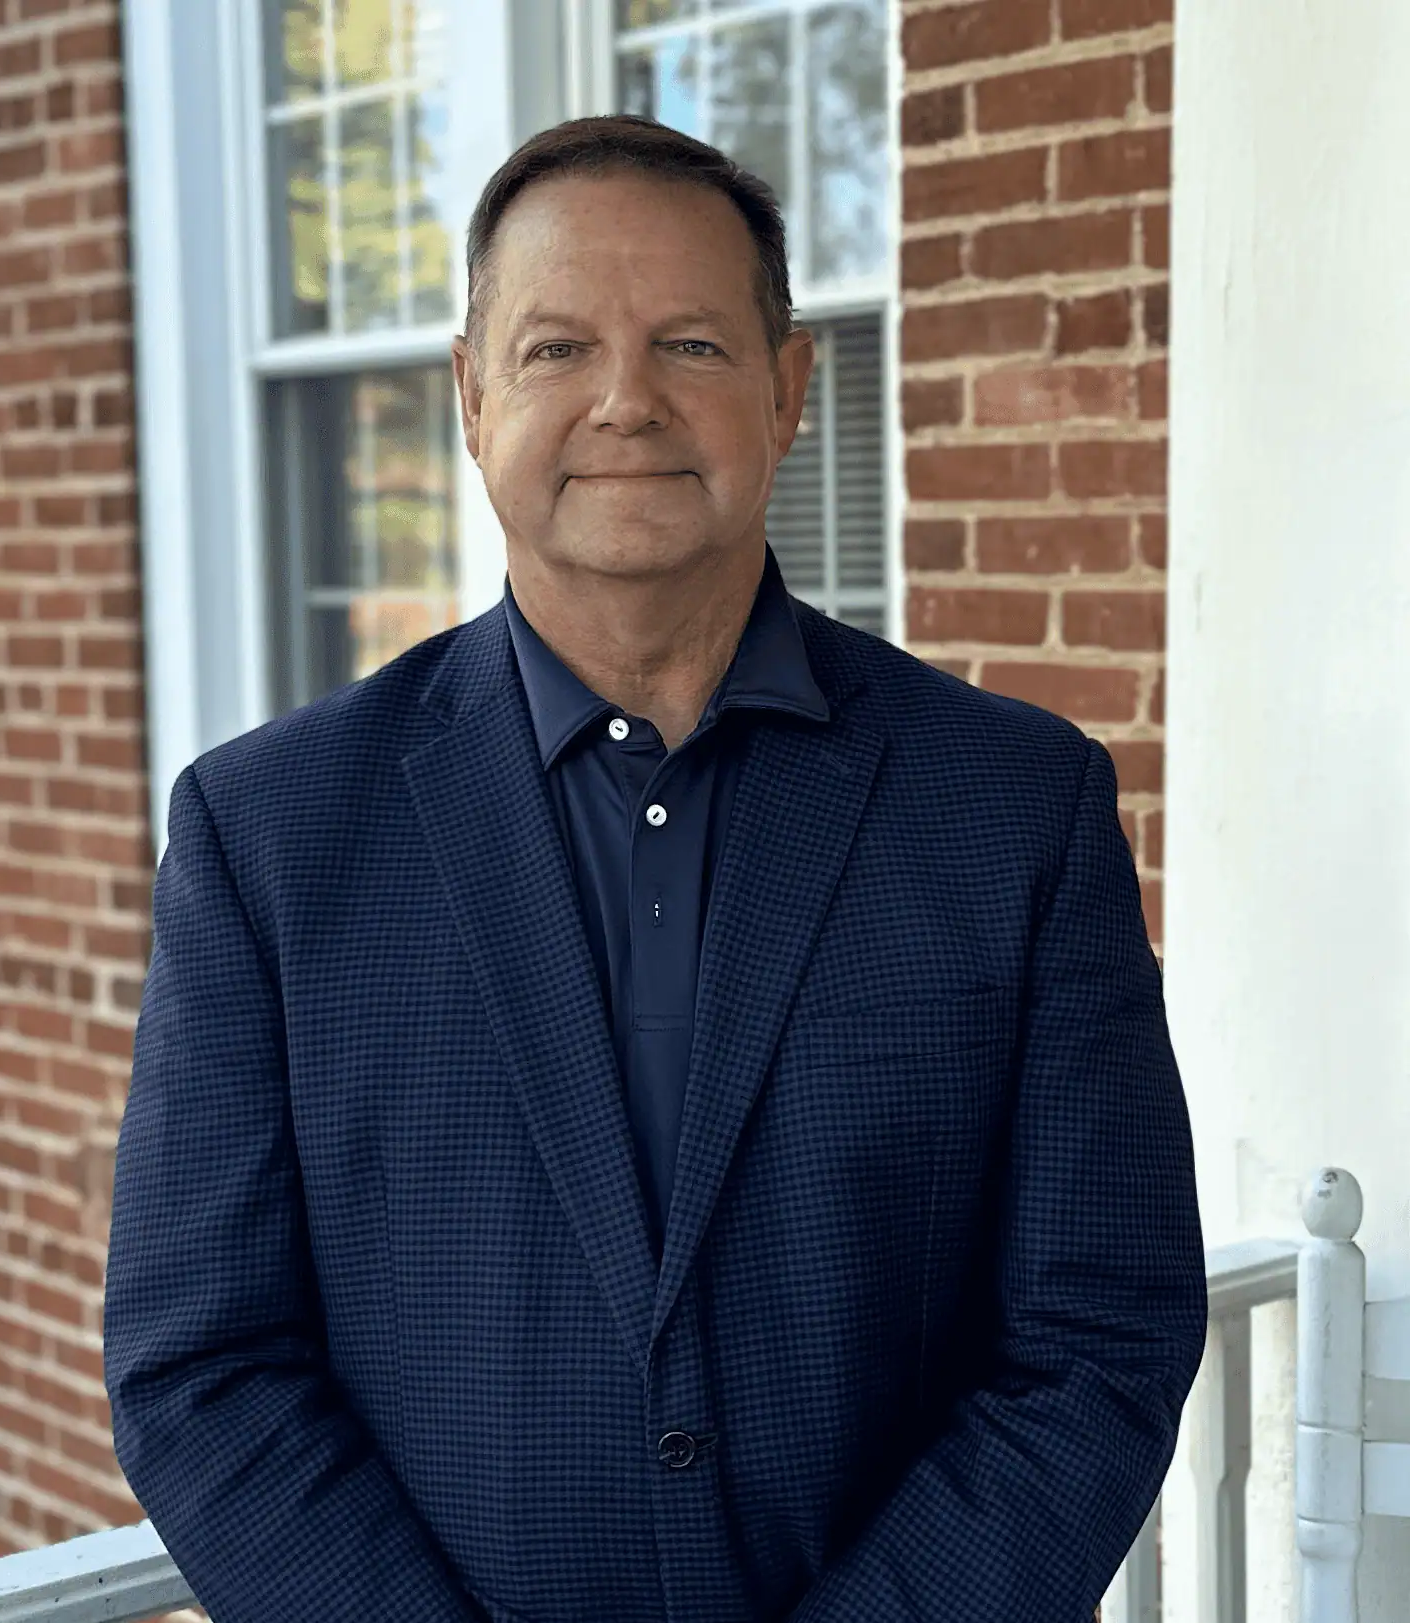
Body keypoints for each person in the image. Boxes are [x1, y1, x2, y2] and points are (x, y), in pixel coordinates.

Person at [103, 115, 1207, 1623]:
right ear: (471, 395)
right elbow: (203, 1363)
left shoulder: (1016, 808)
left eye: (690, 343)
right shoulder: (271, 834)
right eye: (556, 348)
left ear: (789, 391)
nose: (625, 400)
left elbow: (1097, 1330)